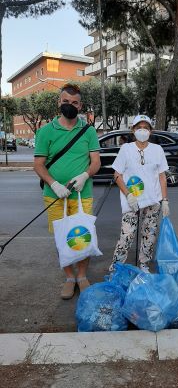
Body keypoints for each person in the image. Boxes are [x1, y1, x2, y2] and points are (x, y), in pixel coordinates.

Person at [34, 83, 100, 299]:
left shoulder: (88, 131)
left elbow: (96, 162)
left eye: (74, 102)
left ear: (80, 105)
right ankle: (69, 278)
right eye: (65, 102)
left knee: (83, 236)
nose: (69, 105)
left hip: (83, 194)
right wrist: (53, 184)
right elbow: (39, 165)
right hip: (54, 196)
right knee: (62, 238)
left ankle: (82, 276)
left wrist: (85, 176)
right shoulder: (45, 132)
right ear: (58, 103)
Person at [110, 114, 170, 273]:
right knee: (126, 236)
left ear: (151, 131)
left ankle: (144, 265)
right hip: (132, 202)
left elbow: (162, 176)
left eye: (145, 128)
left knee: (149, 236)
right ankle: (116, 268)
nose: (142, 130)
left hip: (152, 201)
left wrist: (164, 200)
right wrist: (128, 194)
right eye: (139, 128)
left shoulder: (158, 150)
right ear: (133, 130)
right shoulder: (126, 149)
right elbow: (117, 174)